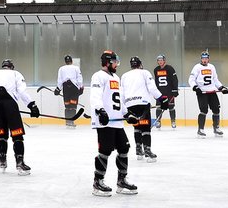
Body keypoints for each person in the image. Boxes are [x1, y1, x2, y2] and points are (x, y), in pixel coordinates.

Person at [88, 50, 138, 197]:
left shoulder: (115, 77)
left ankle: (121, 181)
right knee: (105, 150)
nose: (116, 64)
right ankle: (98, 182)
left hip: (116, 122)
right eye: (115, 62)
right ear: (107, 62)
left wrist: (126, 113)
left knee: (124, 147)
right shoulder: (98, 76)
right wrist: (100, 110)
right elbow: (95, 96)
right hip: (105, 121)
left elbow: (118, 100)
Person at [0, 59, 39, 174]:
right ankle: (20, 163)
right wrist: (31, 105)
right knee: (17, 134)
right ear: (11, 67)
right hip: (10, 105)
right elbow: (22, 92)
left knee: (1, 134)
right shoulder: (16, 74)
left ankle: (2, 160)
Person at [120, 56, 168, 163]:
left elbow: (121, 93)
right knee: (145, 128)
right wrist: (161, 98)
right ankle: (147, 150)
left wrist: (123, 108)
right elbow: (152, 88)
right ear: (140, 64)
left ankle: (138, 150)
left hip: (130, 105)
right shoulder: (145, 72)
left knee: (137, 126)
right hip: (143, 104)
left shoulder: (124, 76)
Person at [188, 50, 228, 138]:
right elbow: (191, 79)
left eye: (206, 58)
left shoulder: (212, 67)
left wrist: (222, 88)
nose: (204, 60)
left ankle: (216, 128)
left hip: (212, 91)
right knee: (204, 110)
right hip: (202, 92)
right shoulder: (197, 67)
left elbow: (215, 80)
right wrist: (195, 87)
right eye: (203, 58)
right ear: (201, 59)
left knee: (216, 109)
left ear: (209, 59)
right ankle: (201, 129)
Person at [152, 55, 180, 130]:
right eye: (158, 60)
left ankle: (173, 121)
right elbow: (156, 82)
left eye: (161, 60)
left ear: (164, 60)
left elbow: (175, 79)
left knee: (171, 107)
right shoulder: (156, 70)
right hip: (160, 93)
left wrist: (175, 90)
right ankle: (158, 121)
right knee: (159, 107)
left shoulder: (170, 68)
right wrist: (155, 92)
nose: (160, 62)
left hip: (169, 92)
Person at [57, 54, 83, 128]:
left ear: (65, 61)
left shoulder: (61, 69)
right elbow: (79, 78)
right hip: (74, 88)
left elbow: (60, 80)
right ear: (71, 61)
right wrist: (81, 87)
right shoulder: (76, 68)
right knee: (73, 106)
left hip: (66, 88)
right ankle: (71, 121)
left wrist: (58, 89)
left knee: (67, 106)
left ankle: (68, 122)